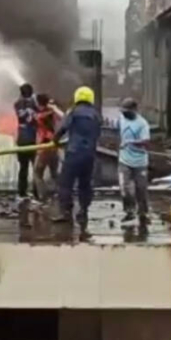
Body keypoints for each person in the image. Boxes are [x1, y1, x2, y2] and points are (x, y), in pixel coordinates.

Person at [53, 86, 102, 239]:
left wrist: (55, 140)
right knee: (85, 185)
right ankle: (84, 211)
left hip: (74, 153)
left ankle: (66, 213)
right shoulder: (96, 114)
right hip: (89, 155)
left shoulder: (73, 111)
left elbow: (63, 128)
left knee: (65, 183)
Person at [114, 98, 151, 227]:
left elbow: (146, 142)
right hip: (124, 160)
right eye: (123, 111)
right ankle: (129, 211)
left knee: (141, 189)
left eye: (127, 111)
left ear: (134, 110)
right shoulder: (121, 119)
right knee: (124, 187)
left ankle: (143, 213)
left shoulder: (142, 124)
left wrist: (131, 142)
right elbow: (118, 132)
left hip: (140, 162)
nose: (124, 114)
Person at [34, 93, 64, 201]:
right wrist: (52, 106)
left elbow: (37, 119)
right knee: (54, 173)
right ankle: (59, 194)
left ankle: (42, 197)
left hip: (45, 145)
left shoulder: (41, 115)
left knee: (38, 173)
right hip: (54, 145)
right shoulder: (53, 113)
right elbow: (62, 117)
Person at [14, 83, 38, 199]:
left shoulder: (18, 104)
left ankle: (21, 192)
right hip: (33, 140)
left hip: (22, 140)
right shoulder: (35, 104)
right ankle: (36, 192)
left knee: (23, 168)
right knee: (36, 168)